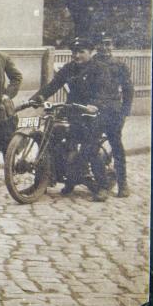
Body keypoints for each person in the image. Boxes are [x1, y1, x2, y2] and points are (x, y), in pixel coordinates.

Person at [29, 37, 121, 202]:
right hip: (74, 111)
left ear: (91, 52)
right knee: (53, 137)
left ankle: (101, 187)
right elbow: (54, 84)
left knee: (90, 146)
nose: (76, 56)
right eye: (74, 52)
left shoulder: (100, 69)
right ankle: (45, 181)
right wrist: (38, 98)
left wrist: (95, 105)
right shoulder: (69, 68)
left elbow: (105, 92)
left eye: (81, 52)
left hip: (96, 114)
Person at [95, 33, 133, 197]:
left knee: (117, 146)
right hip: (94, 111)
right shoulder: (91, 63)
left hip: (113, 112)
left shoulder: (119, 65)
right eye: (101, 44)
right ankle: (102, 185)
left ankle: (123, 184)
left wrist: (125, 111)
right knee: (91, 147)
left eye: (108, 43)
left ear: (113, 46)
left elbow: (128, 90)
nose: (105, 47)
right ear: (96, 46)